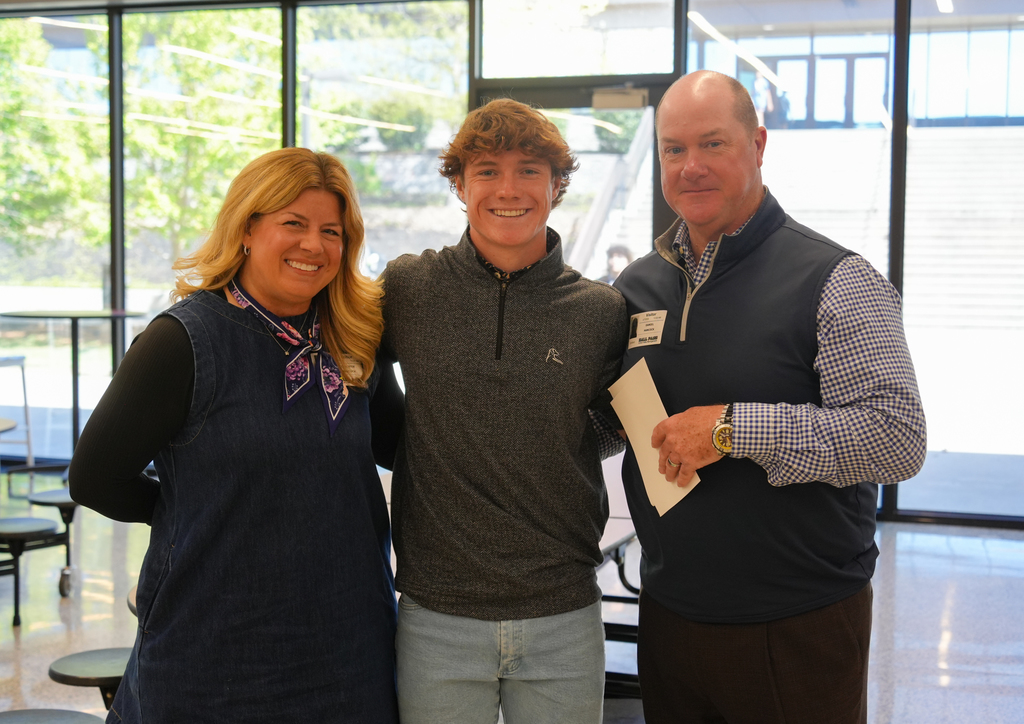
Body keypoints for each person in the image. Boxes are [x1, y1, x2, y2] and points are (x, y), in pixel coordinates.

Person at [612, 70, 927, 724]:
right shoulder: (637, 286)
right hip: (669, 613)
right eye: (673, 149)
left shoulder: (835, 278)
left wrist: (730, 430)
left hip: (797, 623)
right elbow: (609, 419)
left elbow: (896, 437)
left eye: (713, 143)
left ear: (757, 145)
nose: (691, 166)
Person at [68, 147, 403, 724]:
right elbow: (95, 478)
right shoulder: (181, 342)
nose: (313, 245)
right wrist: (188, 513)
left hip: (349, 649)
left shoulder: (355, 335)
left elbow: (402, 448)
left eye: (331, 231)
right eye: (293, 223)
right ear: (247, 228)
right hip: (214, 650)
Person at [380, 98, 628, 724]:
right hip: (436, 613)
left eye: (529, 171)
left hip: (563, 611)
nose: (508, 189)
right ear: (460, 185)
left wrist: (548, 438)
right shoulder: (408, 288)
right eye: (487, 171)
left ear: (557, 185)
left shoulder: (599, 310)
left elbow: (612, 425)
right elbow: (347, 373)